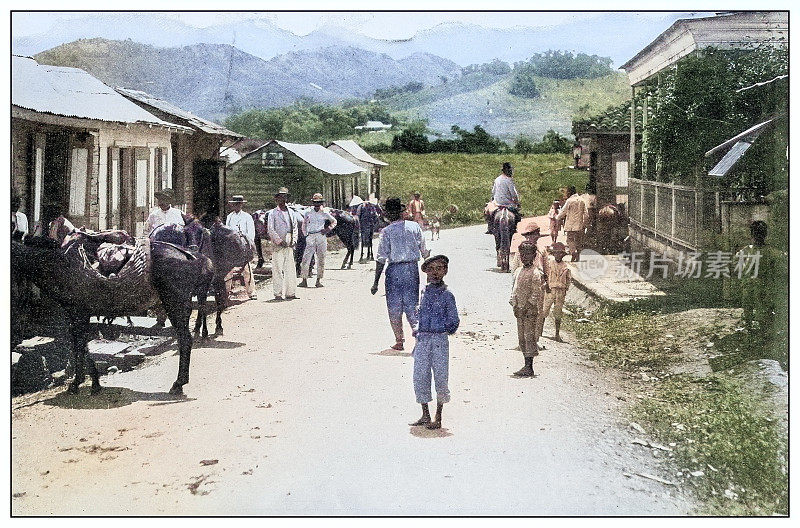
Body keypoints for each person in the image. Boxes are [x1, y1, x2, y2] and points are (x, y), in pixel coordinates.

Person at [371, 197, 430, 351]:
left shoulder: (387, 232)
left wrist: (376, 282)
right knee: (412, 305)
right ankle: (418, 338)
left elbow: (381, 258)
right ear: (401, 212)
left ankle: (399, 340)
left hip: (394, 270)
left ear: (388, 214)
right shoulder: (414, 227)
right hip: (411, 269)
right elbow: (425, 251)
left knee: (394, 306)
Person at [409, 255, 460, 430]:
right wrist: (418, 328)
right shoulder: (424, 292)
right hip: (423, 339)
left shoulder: (447, 295)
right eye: (431, 269)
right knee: (420, 376)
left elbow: (454, 321)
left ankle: (438, 416)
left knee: (440, 376)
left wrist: (440, 327)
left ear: (445, 271)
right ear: (426, 273)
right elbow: (417, 314)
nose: (435, 273)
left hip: (439, 340)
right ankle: (425, 414)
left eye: (439, 268)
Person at [509, 241, 545, 377]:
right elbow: (515, 289)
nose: (524, 257)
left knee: (529, 337)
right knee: (521, 337)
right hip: (519, 309)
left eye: (528, 254)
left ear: (534, 256)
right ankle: (525, 363)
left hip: (529, 311)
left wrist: (527, 306)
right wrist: (514, 305)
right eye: (522, 255)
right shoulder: (519, 271)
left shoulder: (535, 273)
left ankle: (529, 366)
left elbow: (536, 293)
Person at [266, 187, 302, 301]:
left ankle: (290, 292)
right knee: (277, 268)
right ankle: (277, 293)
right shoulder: (273, 213)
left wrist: (294, 240)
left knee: (290, 268)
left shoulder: (291, 212)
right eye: (280, 197)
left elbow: (295, 227)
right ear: (277, 199)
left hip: (289, 240)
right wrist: (279, 241)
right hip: (279, 242)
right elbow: (271, 229)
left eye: (285, 197)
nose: (283, 199)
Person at [299, 193, 337, 288]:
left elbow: (334, 221)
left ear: (321, 203)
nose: (317, 204)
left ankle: (318, 280)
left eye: (319, 202)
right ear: (313, 203)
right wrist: (305, 235)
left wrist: (327, 229)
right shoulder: (308, 212)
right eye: (315, 202)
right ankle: (304, 280)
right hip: (311, 235)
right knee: (306, 258)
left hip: (320, 235)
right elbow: (304, 224)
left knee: (321, 258)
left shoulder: (324, 212)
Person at [538, 242, 571, 342]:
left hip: (560, 291)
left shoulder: (566, 267)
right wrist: (546, 285)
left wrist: (565, 289)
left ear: (563, 255)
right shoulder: (549, 264)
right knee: (544, 310)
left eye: (560, 253)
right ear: (554, 254)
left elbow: (568, 280)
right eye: (556, 253)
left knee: (558, 312)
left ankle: (557, 334)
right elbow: (545, 275)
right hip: (550, 289)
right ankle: (540, 331)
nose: (558, 255)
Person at [226, 195, 257, 300]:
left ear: (242, 204)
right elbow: (227, 231)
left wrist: (248, 245)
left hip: (243, 245)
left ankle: (251, 292)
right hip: (232, 246)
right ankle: (226, 292)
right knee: (228, 269)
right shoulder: (230, 217)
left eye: (238, 204)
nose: (237, 206)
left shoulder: (247, 217)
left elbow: (251, 233)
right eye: (235, 204)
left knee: (247, 269)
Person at [557, 185, 588, 262]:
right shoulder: (582, 200)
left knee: (570, 240)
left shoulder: (569, 201)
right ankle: (578, 254)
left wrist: (557, 218)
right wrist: (584, 224)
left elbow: (563, 212)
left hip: (570, 225)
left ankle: (573, 252)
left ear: (570, 192)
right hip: (579, 225)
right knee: (578, 240)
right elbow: (586, 214)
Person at [490, 162, 521, 233]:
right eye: (510, 170)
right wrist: (517, 202)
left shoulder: (497, 179)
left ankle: (490, 226)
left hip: (497, 203)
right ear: (506, 170)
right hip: (508, 204)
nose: (511, 172)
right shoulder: (509, 180)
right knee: (517, 215)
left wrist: (492, 200)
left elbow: (493, 192)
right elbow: (514, 194)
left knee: (489, 213)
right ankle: (514, 227)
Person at [356, 194, 383, 262]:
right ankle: (368, 254)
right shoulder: (368, 206)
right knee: (368, 240)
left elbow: (358, 215)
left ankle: (366, 255)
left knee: (366, 240)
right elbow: (376, 215)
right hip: (368, 225)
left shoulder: (362, 206)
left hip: (366, 225)